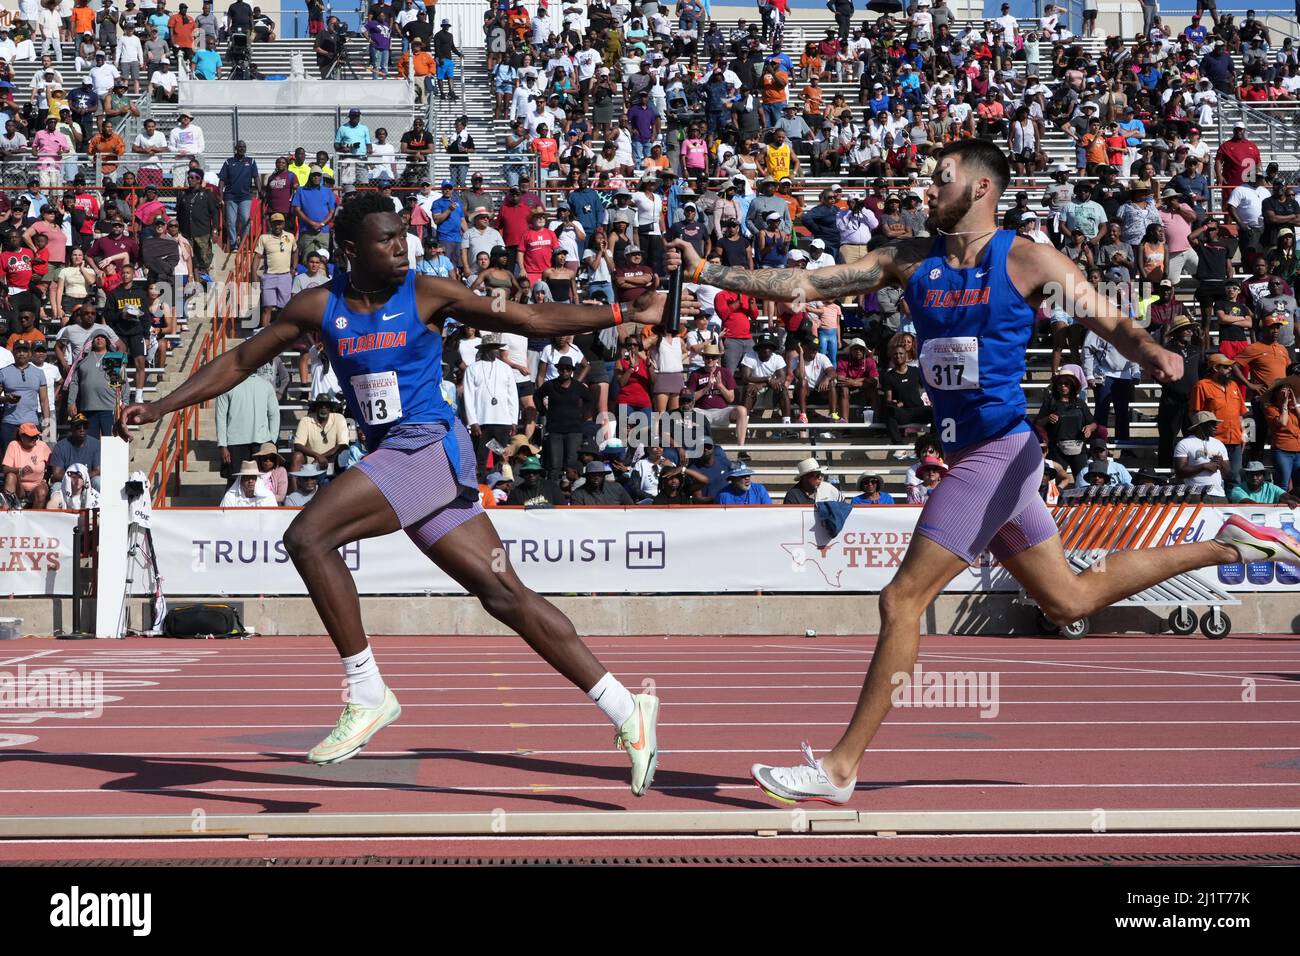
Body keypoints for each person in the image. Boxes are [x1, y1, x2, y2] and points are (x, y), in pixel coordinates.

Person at [665, 138, 1300, 804]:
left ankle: (841, 767)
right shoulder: (909, 261)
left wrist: (1155, 354)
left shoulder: (1027, 259)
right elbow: (802, 286)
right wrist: (710, 270)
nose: (925, 191)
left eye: (940, 180)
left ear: (980, 189)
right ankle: (1231, 543)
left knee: (901, 599)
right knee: (1070, 602)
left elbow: (1105, 317)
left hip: (1000, 454)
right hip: (983, 460)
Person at [123, 192, 679, 794]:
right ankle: (628, 709)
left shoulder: (428, 293)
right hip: (399, 459)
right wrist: (161, 404)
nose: (400, 247)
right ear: (348, 250)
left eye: (401, 237)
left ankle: (366, 691)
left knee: (308, 535)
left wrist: (627, 315)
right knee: (505, 596)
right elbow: (239, 360)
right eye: (385, 239)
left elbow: (528, 319)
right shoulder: (318, 306)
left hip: (430, 446)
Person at [1231, 460, 1298, 504]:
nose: (1254, 477)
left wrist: (1290, 500)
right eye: (1251, 474)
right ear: (1246, 476)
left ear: (1264, 476)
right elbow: (1249, 503)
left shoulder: (1270, 487)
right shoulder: (1237, 489)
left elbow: (1287, 497)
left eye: (1258, 474)